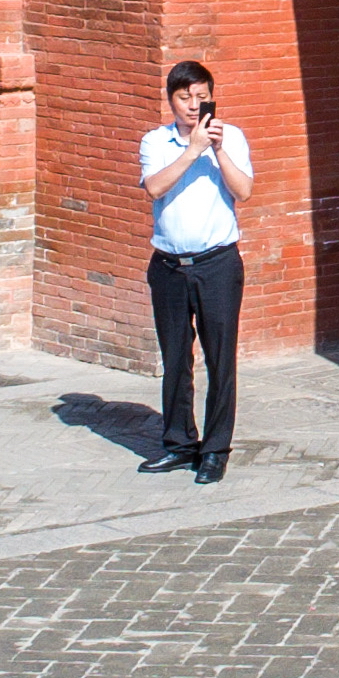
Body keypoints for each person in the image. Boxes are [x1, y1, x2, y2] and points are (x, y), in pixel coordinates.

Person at [139, 62, 251, 484]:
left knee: (220, 359)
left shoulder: (232, 137)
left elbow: (243, 191)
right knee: (175, 359)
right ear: (171, 99)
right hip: (168, 266)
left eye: (201, 96)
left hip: (217, 265)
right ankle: (179, 444)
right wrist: (192, 150)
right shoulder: (156, 141)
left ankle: (216, 450)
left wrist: (217, 149)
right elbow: (154, 187)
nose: (193, 105)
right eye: (184, 97)